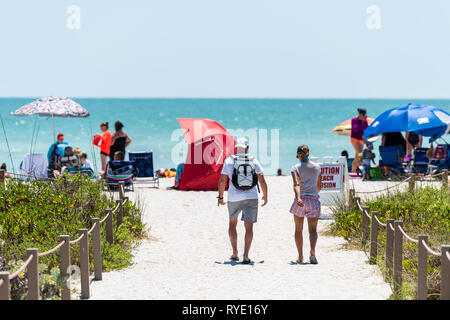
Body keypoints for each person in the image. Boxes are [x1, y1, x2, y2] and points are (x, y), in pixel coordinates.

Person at [217, 137, 268, 264]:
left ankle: (235, 253)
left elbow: (223, 180)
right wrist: (265, 195)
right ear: (247, 148)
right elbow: (261, 179)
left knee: (232, 223)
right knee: (249, 226)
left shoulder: (229, 161)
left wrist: (221, 197)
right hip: (251, 196)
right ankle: (246, 256)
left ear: (236, 147)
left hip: (234, 197)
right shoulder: (254, 160)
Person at [290, 145, 322, 264]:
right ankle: (312, 250)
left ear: (298, 155)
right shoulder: (317, 167)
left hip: (301, 200)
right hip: (313, 199)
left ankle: (300, 256)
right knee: (313, 230)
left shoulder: (296, 167)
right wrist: (313, 194)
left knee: (298, 230)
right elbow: (319, 186)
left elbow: (296, 184)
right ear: (308, 154)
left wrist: (298, 197)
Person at [350, 108, 369, 173]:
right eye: (363, 116)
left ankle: (353, 171)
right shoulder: (354, 120)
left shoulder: (364, 120)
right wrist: (362, 124)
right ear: (360, 114)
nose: (363, 117)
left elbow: (366, 128)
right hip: (354, 139)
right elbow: (355, 129)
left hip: (361, 139)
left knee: (356, 157)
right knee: (360, 154)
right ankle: (361, 169)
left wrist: (365, 121)